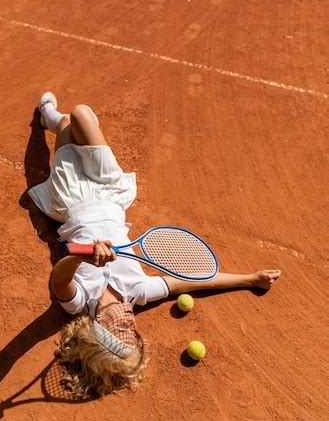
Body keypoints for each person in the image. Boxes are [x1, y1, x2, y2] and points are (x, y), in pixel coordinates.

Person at [28, 92, 281, 398]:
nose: (130, 322)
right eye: (133, 332)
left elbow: (60, 278)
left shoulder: (80, 302)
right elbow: (193, 280)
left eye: (121, 330)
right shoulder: (139, 292)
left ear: (97, 331)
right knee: (80, 115)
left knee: (72, 122)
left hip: (71, 200)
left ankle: (48, 121)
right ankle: (54, 122)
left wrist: (83, 259)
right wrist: (250, 278)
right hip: (110, 194)